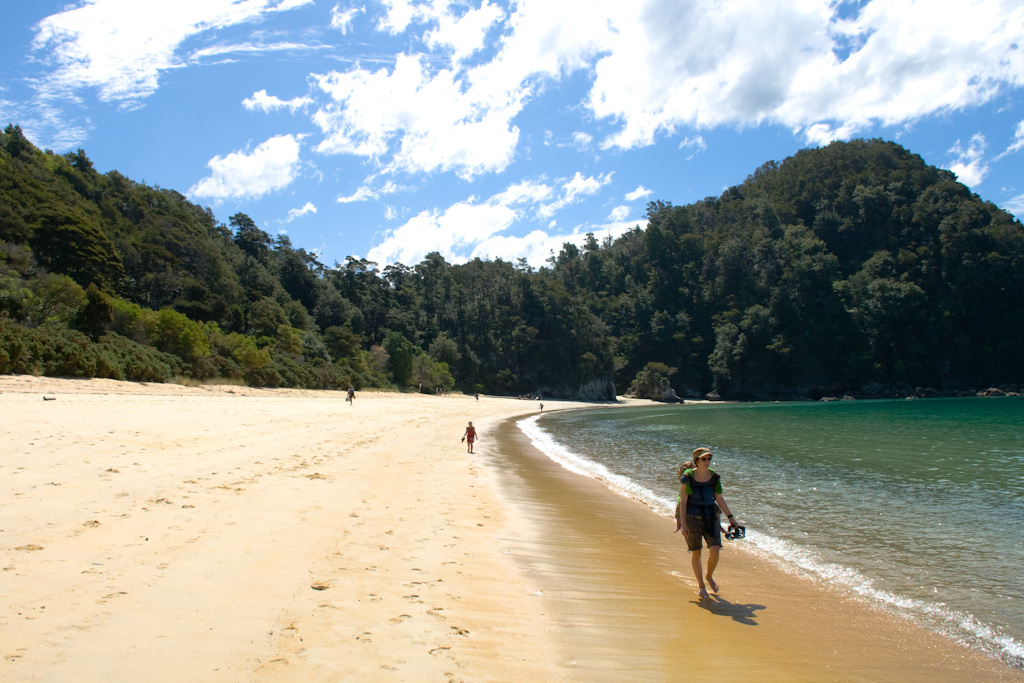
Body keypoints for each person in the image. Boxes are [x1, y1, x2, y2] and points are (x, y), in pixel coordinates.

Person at [677, 447, 740, 597]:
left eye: (709, 459)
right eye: (703, 459)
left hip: (710, 517)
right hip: (692, 518)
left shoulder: (714, 477)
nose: (707, 462)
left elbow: (719, 498)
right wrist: (683, 523)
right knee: (696, 552)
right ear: (696, 461)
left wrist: (730, 517)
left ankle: (709, 576)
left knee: (715, 550)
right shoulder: (687, 477)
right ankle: (701, 586)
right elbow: (683, 502)